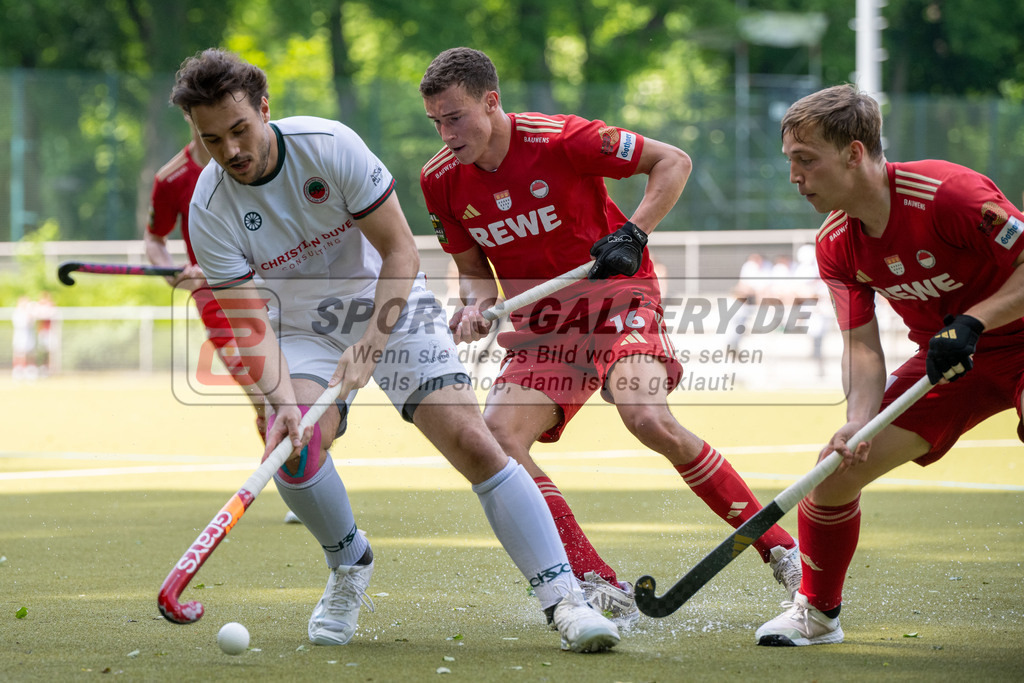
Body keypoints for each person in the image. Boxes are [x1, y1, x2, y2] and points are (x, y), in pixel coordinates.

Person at [170, 47, 619, 653]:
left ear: (265, 110)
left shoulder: (329, 146)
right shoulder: (209, 209)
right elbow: (250, 326)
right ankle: (349, 564)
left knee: (472, 441)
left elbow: (401, 252)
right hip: (301, 330)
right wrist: (283, 405)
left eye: (239, 130)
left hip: (393, 304)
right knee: (291, 446)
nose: (230, 152)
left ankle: (564, 598)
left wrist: (371, 340)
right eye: (211, 139)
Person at [418, 47, 801, 629]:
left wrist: (633, 233)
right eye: (436, 123)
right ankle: (595, 581)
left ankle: (783, 549)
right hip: (543, 328)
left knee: (645, 417)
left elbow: (673, 161)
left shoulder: (562, 139)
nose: (446, 134)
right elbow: (474, 272)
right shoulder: (439, 180)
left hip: (618, 299)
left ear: (491, 103)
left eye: (455, 118)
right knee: (498, 438)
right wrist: (477, 307)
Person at [756, 83, 1024, 646]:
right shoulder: (837, 242)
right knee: (835, 474)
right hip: (949, 363)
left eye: (807, 161)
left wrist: (974, 319)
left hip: (1008, 339)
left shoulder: (947, 193)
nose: (794, 177)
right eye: (791, 162)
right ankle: (818, 614)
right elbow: (862, 345)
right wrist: (857, 420)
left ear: (854, 153)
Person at [144, 114, 269, 440]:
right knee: (264, 396)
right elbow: (155, 239)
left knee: (295, 393)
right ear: (188, 113)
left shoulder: (259, 159)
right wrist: (172, 274)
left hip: (272, 284)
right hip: (216, 297)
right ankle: (292, 472)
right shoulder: (171, 179)